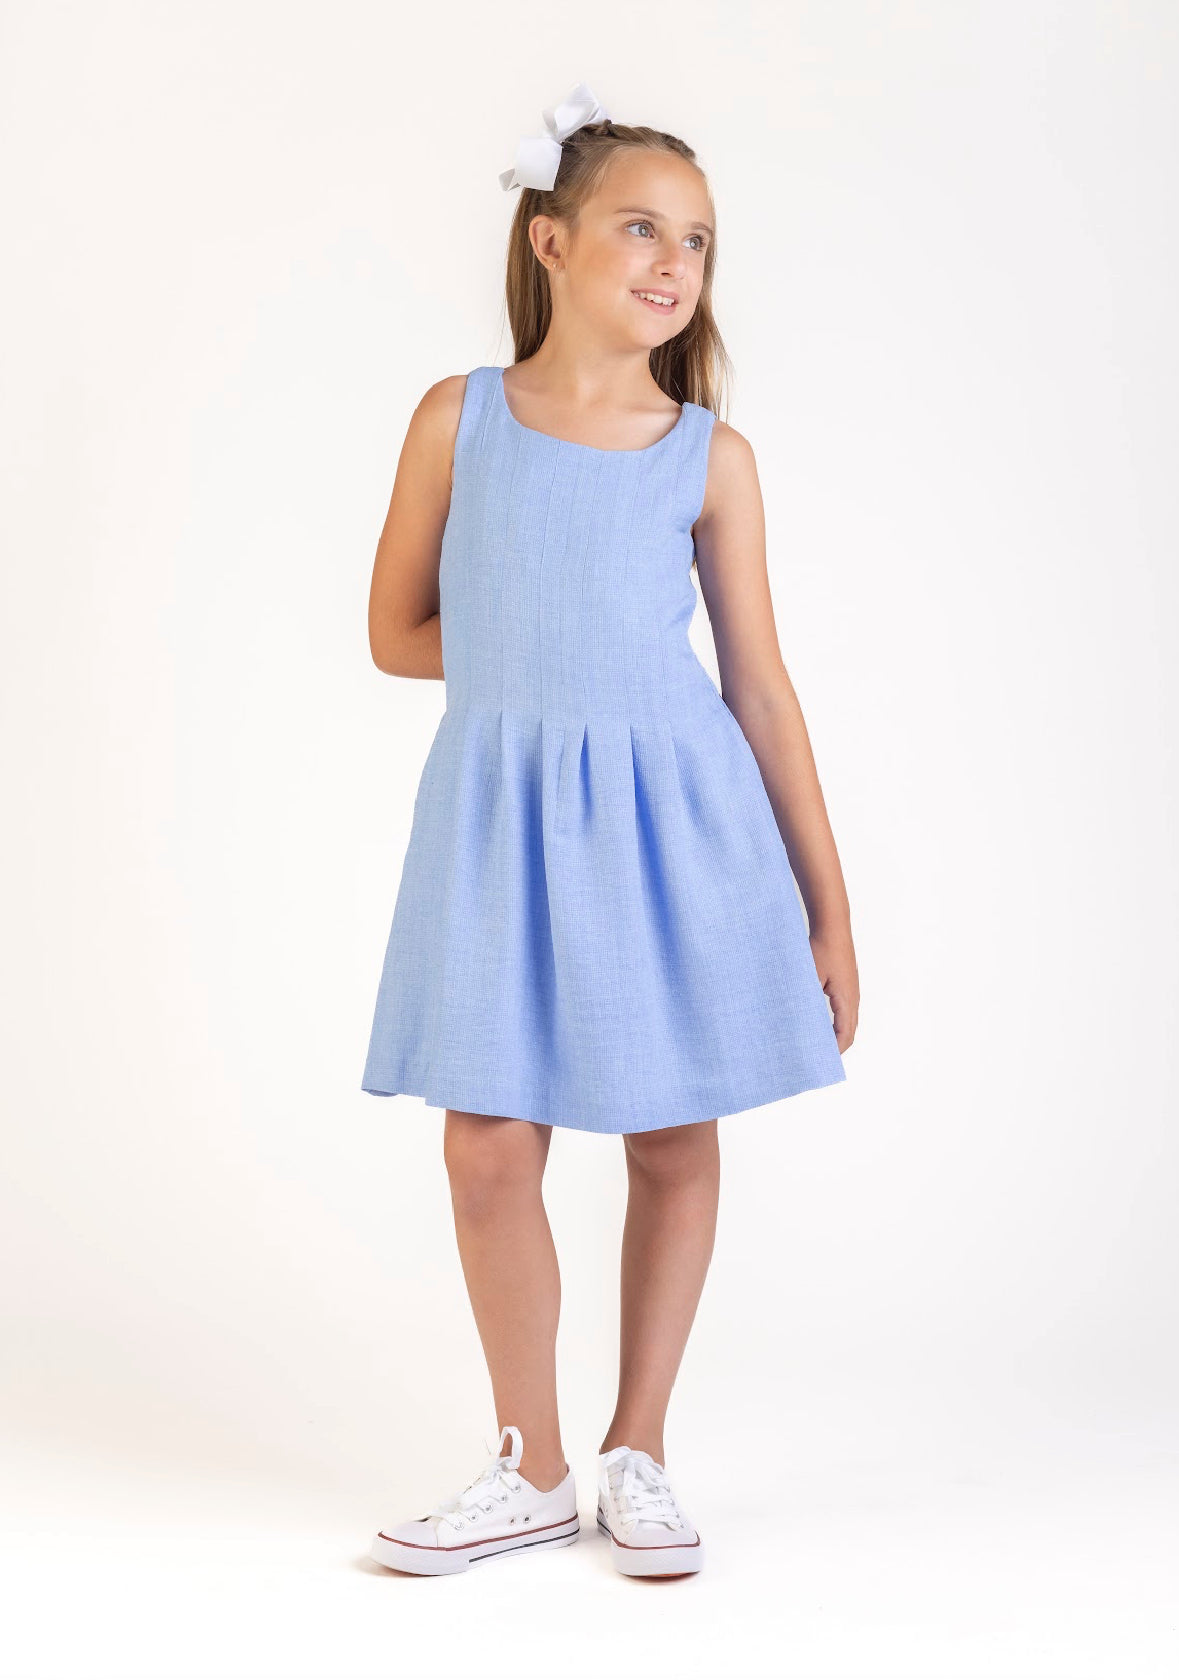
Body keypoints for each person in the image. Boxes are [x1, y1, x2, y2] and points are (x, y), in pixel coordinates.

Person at [361, 83, 859, 1578]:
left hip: (672, 825)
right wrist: (543, 669)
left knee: (670, 1130)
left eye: (695, 241)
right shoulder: (457, 419)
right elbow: (396, 633)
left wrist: (831, 910)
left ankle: (639, 1447)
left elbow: (760, 691)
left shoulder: (708, 456)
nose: (672, 262)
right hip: (501, 823)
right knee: (486, 1148)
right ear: (551, 241)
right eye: (641, 228)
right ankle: (530, 1462)